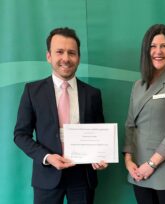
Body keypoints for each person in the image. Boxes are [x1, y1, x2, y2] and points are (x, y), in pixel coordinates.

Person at [14, 27, 108, 204]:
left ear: (78, 58)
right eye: (59, 52)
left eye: (71, 53)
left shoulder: (93, 94)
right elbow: (20, 135)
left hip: (83, 178)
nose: (66, 58)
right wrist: (47, 157)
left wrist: (100, 156)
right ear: (49, 56)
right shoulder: (32, 92)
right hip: (47, 176)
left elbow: (99, 133)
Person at [123, 24, 165, 204]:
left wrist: (151, 164)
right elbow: (130, 125)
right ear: (146, 50)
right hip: (138, 170)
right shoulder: (138, 85)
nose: (158, 51)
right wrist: (128, 160)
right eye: (153, 46)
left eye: (164, 46)